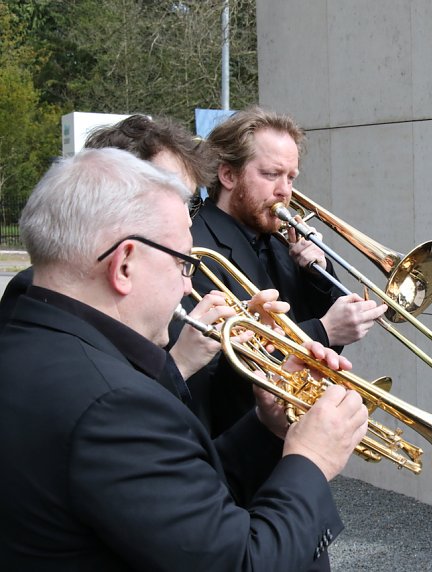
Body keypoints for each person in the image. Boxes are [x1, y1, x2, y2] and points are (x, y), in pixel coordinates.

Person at [0, 148, 369, 570]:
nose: (186, 286)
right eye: (183, 263)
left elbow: (173, 503)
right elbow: (241, 563)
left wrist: (266, 428)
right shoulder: (115, 406)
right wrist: (311, 460)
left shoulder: (23, 338)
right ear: (124, 266)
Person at [185, 106, 387, 435]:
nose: (285, 191)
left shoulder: (278, 242)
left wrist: (317, 272)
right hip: (237, 444)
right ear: (228, 175)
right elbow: (217, 371)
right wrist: (322, 331)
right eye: (271, 175)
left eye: (291, 177)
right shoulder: (198, 248)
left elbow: (329, 335)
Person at [0, 114, 230, 381]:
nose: (185, 218)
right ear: (112, 185)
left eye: (188, 202)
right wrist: (180, 365)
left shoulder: (164, 271)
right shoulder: (40, 288)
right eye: (169, 195)